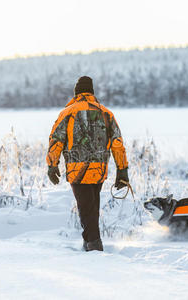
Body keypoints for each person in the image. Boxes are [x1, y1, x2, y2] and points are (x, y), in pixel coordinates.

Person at [46, 76, 129, 251]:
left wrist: (52, 165)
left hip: (78, 170)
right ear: (92, 92)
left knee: (86, 209)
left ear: (76, 92)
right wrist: (122, 170)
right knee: (92, 207)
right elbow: (117, 144)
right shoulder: (106, 113)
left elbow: (56, 140)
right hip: (99, 170)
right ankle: (89, 243)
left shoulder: (67, 112)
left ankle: (94, 246)